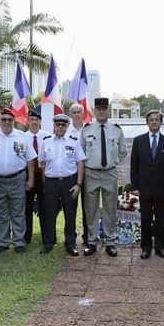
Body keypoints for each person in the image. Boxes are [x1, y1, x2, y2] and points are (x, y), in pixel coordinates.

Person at [81, 97, 127, 257]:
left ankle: (110, 242)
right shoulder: (86, 130)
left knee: (110, 209)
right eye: (98, 109)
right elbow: (81, 153)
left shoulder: (116, 130)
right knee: (91, 209)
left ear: (108, 110)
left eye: (104, 109)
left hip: (109, 173)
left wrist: (112, 163)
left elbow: (122, 152)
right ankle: (92, 242)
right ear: (94, 111)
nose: (101, 112)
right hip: (91, 173)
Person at [0, 108, 37, 253]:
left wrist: (31, 179)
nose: (7, 122)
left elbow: (30, 159)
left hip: (17, 179)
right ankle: (3, 242)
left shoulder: (22, 136)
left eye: (9, 119)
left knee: (18, 212)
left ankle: (19, 242)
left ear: (13, 121)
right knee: (1, 212)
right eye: (4, 119)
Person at [130, 110, 164, 259]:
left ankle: (160, 247)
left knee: (160, 219)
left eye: (157, 120)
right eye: (151, 120)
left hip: (161, 189)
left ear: (161, 122)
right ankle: (145, 247)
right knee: (145, 219)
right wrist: (135, 187)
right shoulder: (138, 141)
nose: (154, 122)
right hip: (144, 188)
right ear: (147, 122)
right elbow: (134, 166)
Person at [39, 114, 86, 255]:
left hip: (69, 182)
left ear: (67, 126)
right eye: (57, 124)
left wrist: (78, 184)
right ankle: (48, 242)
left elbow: (80, 162)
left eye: (63, 125)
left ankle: (70, 243)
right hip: (51, 182)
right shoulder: (46, 141)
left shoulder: (74, 141)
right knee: (49, 213)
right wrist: (45, 182)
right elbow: (42, 164)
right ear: (53, 126)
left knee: (70, 213)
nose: (60, 127)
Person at [24, 108, 51, 245]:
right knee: (26, 207)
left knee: (44, 206)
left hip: (43, 176)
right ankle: (26, 236)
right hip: (28, 176)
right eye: (31, 119)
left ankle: (46, 236)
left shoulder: (47, 136)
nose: (34, 122)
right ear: (27, 121)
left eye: (36, 120)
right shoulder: (22, 137)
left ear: (40, 122)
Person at [68, 103, 90, 249]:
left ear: (83, 113)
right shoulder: (65, 130)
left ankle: (88, 237)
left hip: (88, 171)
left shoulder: (89, 130)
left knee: (88, 206)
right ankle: (71, 237)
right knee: (71, 206)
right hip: (71, 172)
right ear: (70, 114)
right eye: (74, 112)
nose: (76, 114)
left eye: (79, 112)